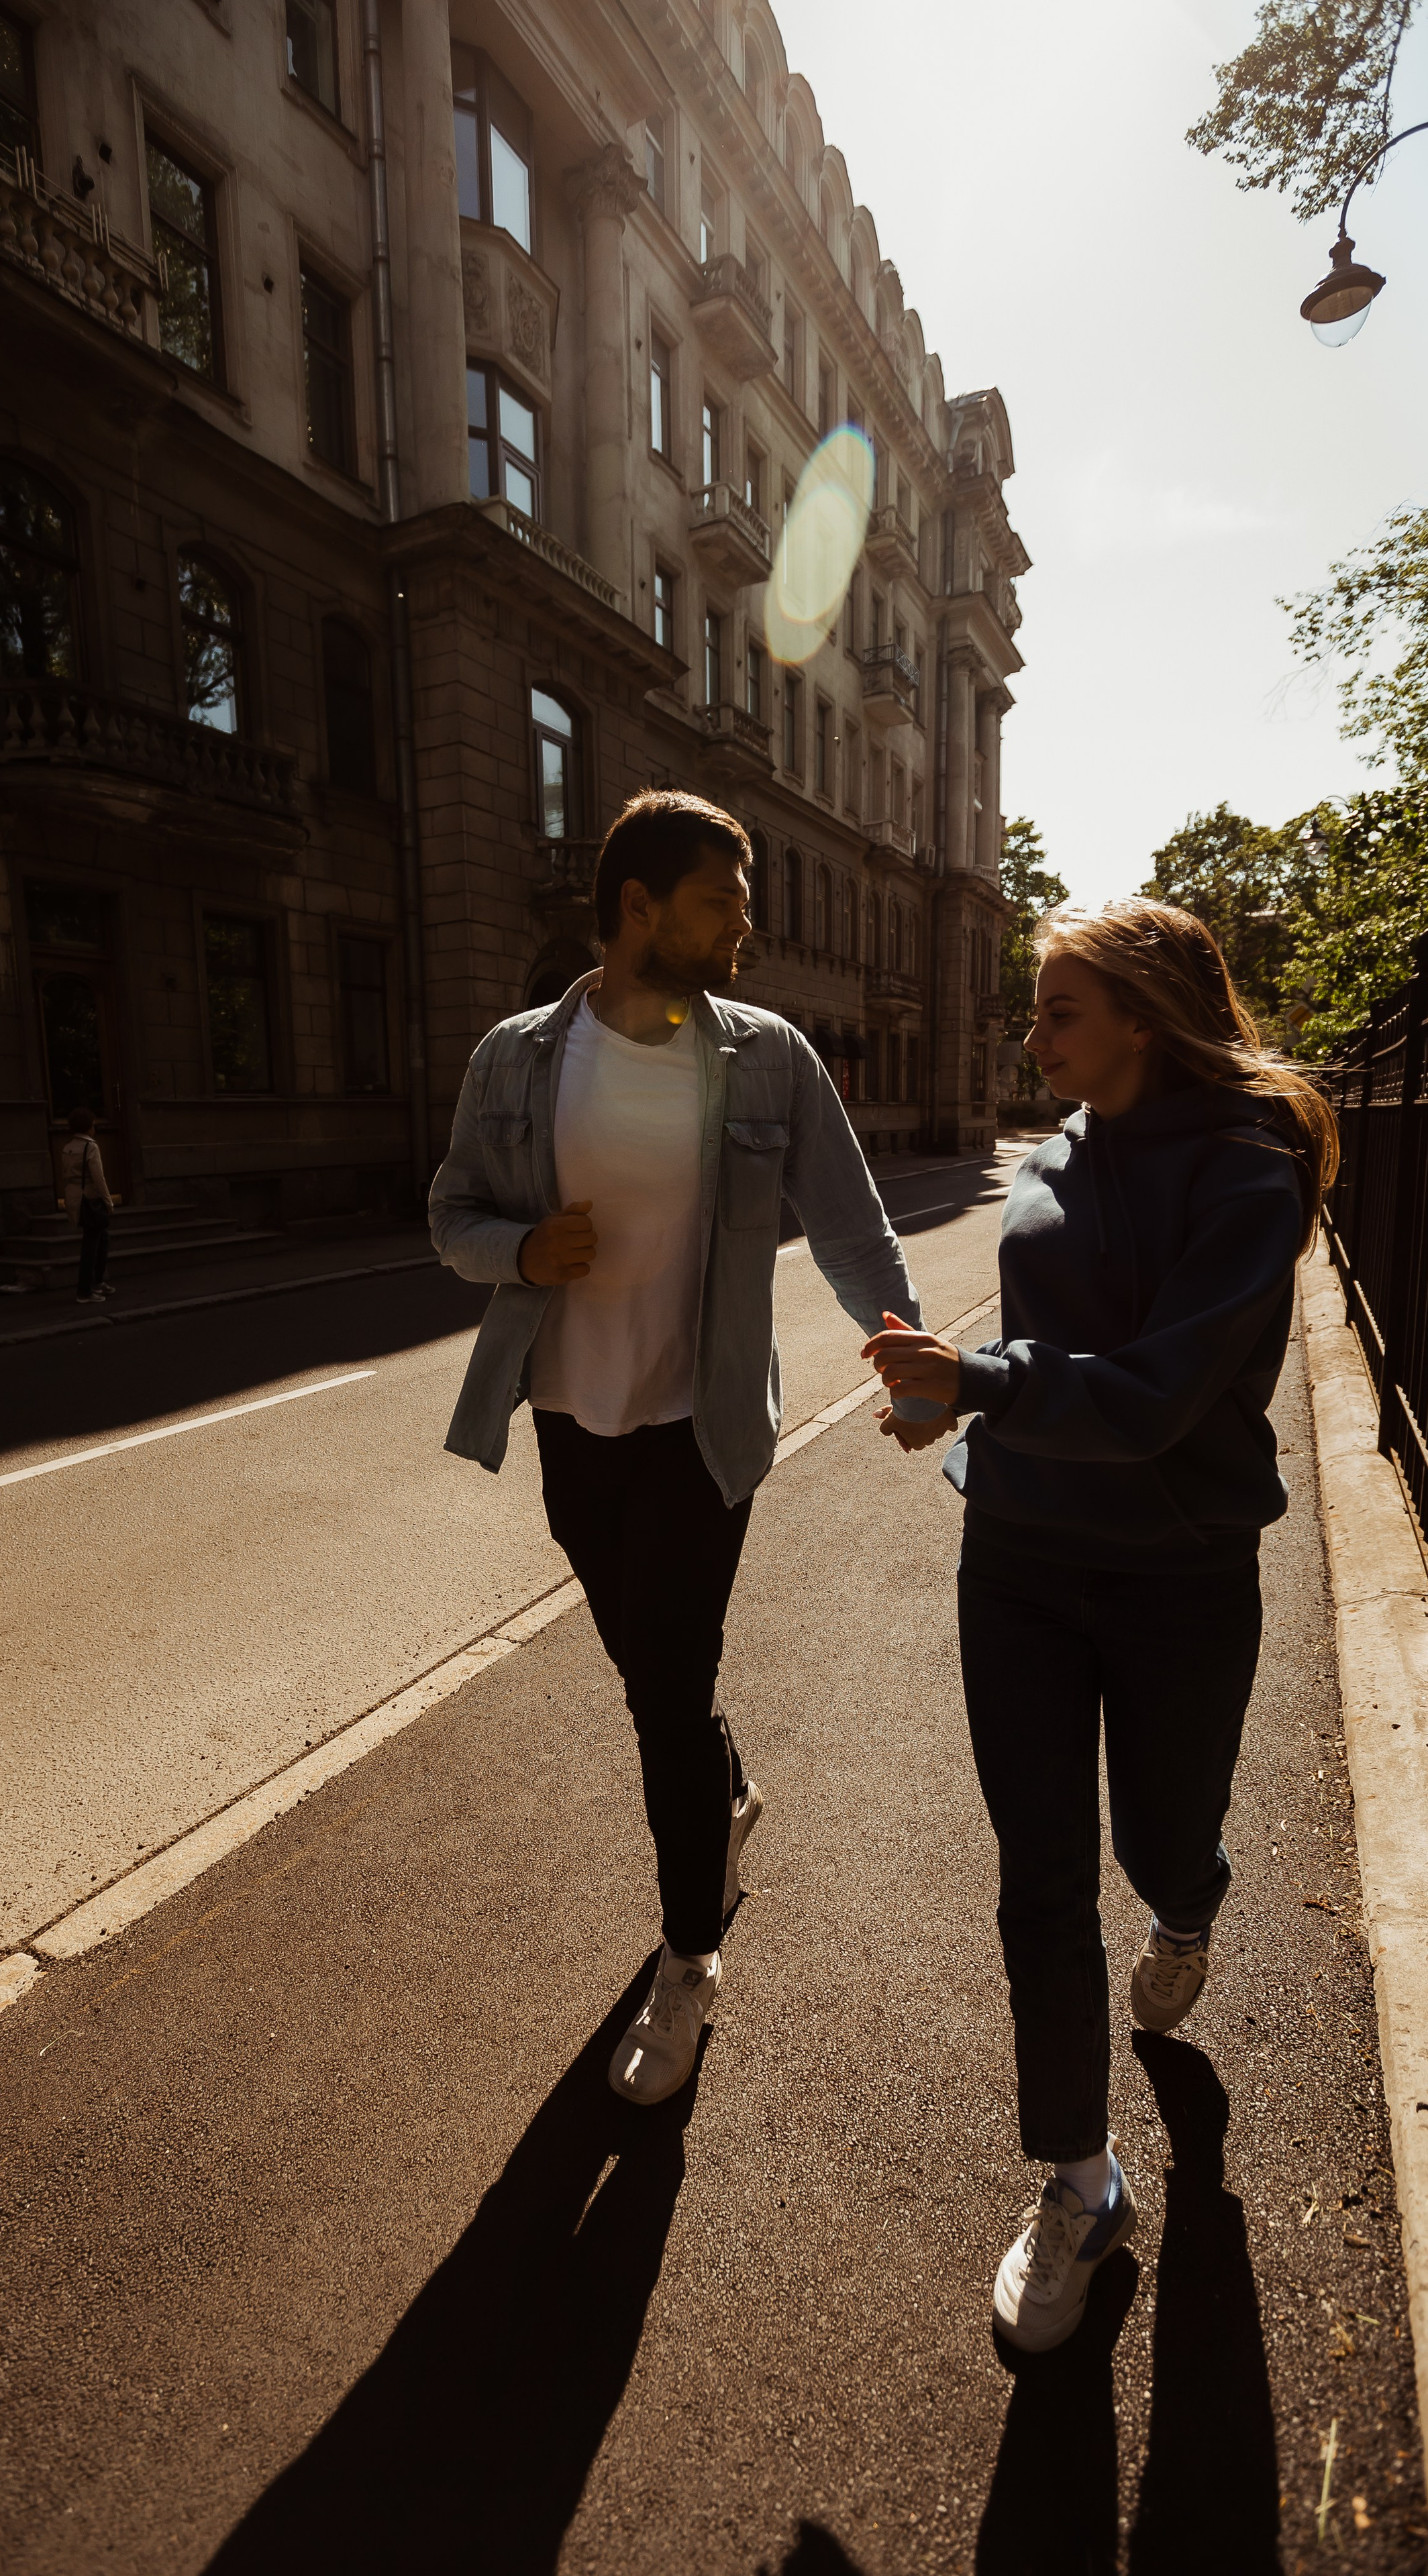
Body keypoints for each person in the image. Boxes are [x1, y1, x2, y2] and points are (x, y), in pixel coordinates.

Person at [863, 898, 1337, 2352]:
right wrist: (956, 1404)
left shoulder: (1250, 1172)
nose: (1030, 1036)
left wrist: (985, 1383)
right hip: (1014, 1557)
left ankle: (1188, 1901)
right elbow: (1037, 1357)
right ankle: (1077, 2179)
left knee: (1155, 1839)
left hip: (1174, 1570)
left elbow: (1150, 1399)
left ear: (1139, 1017)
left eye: (1057, 1011)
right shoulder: (1054, 1151)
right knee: (1040, 1878)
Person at [431, 789, 946, 2106]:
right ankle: (719, 1789)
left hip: (698, 1438)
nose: (746, 924)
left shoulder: (767, 1058)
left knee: (665, 1689)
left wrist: (911, 1353)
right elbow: (449, 1217)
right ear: (637, 910)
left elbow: (847, 1223)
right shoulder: (515, 1060)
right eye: (723, 898)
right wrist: (518, 1251)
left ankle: (687, 1959)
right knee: (653, 1674)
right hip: (565, 1428)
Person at [62, 1104, 114, 1305]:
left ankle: (98, 1282)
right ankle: (85, 1291)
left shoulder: (67, 1148)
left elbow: (65, 1177)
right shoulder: (90, 1146)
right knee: (91, 1246)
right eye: (93, 1125)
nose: (95, 1128)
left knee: (101, 1239)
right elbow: (98, 1178)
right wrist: (108, 1202)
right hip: (91, 1200)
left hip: (75, 1200)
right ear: (88, 1127)